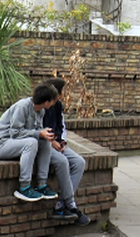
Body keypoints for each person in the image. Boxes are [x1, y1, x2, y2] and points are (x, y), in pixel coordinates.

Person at [0, 83, 59, 202]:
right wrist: (38, 133)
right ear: (47, 102)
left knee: (45, 142)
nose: (54, 104)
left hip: (16, 144)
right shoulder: (23, 107)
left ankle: (42, 184)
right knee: (32, 142)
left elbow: (36, 132)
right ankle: (24, 187)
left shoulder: (41, 111)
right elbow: (15, 133)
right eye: (53, 101)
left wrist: (45, 134)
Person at [41, 77, 88, 224]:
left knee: (79, 162)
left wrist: (61, 141)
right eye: (62, 91)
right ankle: (71, 205)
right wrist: (52, 142)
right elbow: (37, 130)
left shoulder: (58, 106)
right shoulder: (42, 106)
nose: (64, 94)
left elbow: (61, 126)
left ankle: (61, 204)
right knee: (63, 162)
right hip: (45, 145)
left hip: (57, 144)